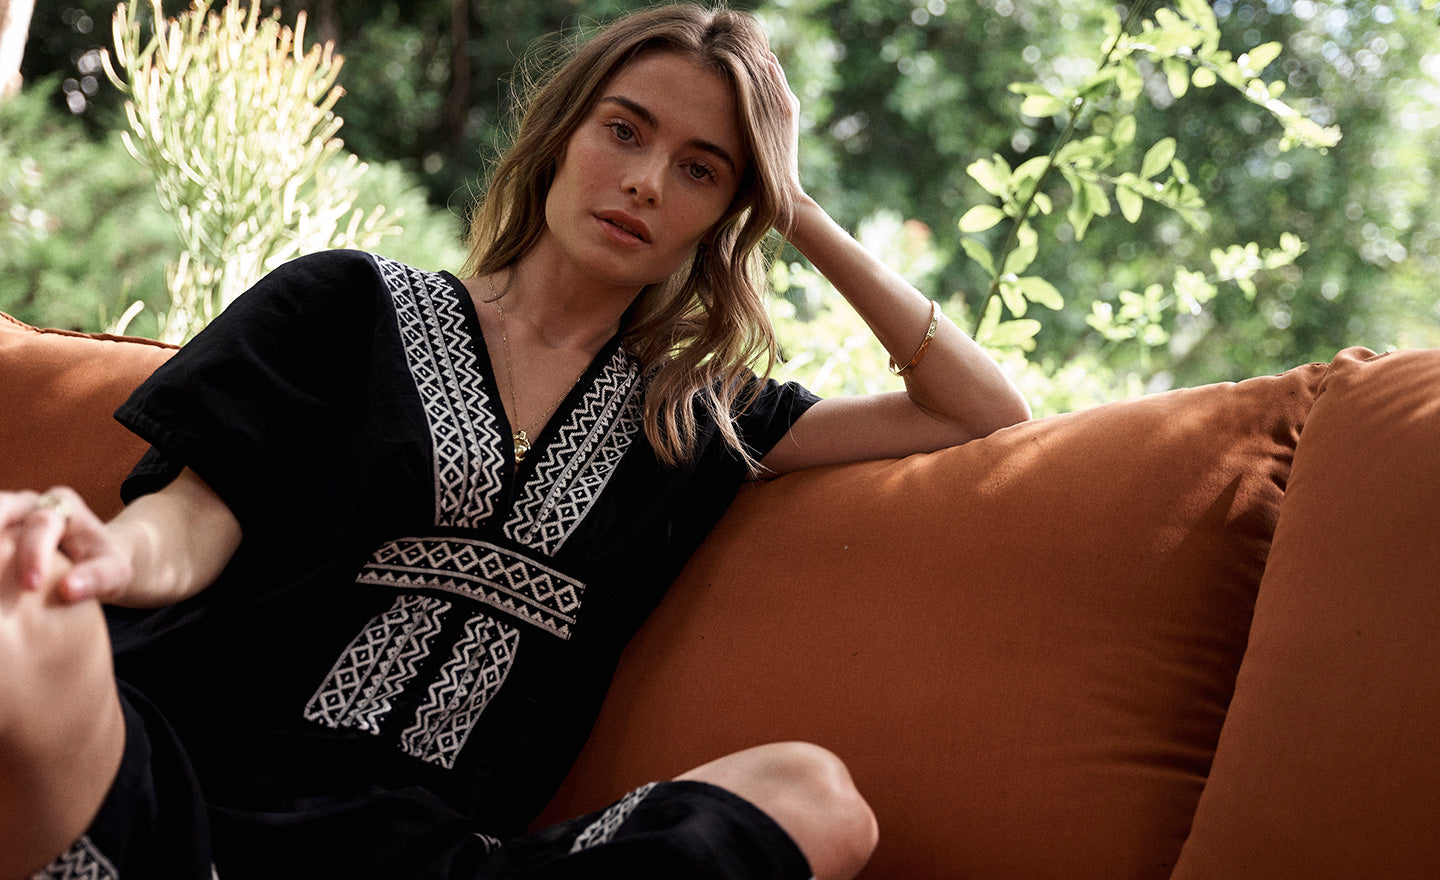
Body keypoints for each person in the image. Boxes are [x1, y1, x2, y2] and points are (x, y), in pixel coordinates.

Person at [0, 4, 1029, 879]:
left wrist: (795, 203)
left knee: (817, 794)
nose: (646, 182)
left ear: (727, 213)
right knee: (19, 608)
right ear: (562, 133)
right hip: (180, 791)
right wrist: (109, 555)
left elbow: (978, 413)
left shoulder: (695, 417)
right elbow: (192, 516)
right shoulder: (341, 305)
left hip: (430, 854)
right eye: (624, 131)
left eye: (701, 169)